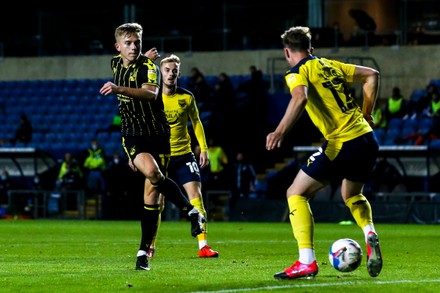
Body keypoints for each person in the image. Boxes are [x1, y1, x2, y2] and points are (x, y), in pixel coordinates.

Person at [266, 26, 383, 280]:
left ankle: (306, 261)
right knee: (351, 194)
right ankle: (369, 232)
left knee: (295, 193)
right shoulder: (330, 64)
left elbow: (300, 98)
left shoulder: (296, 71)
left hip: (342, 142)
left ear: (287, 52)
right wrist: (367, 113)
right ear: (311, 49)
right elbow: (372, 75)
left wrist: (280, 131)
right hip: (367, 139)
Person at [99, 22, 205, 271]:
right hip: (133, 135)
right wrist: (131, 154)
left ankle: (142, 254)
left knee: (152, 196)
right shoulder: (116, 63)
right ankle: (190, 211)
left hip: (157, 135)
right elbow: (130, 69)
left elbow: (150, 94)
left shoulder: (150, 67)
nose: (134, 46)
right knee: (153, 174)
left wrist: (118, 89)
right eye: (128, 43)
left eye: (137, 42)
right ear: (118, 47)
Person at [147, 53, 218, 258]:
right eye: (167, 70)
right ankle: (150, 245)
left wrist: (203, 148)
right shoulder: (153, 97)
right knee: (157, 203)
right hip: (160, 157)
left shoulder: (186, 97)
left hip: (184, 155)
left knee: (196, 196)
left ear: (179, 73)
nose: (170, 74)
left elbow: (196, 122)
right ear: (161, 72)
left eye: (174, 71)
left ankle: (203, 246)